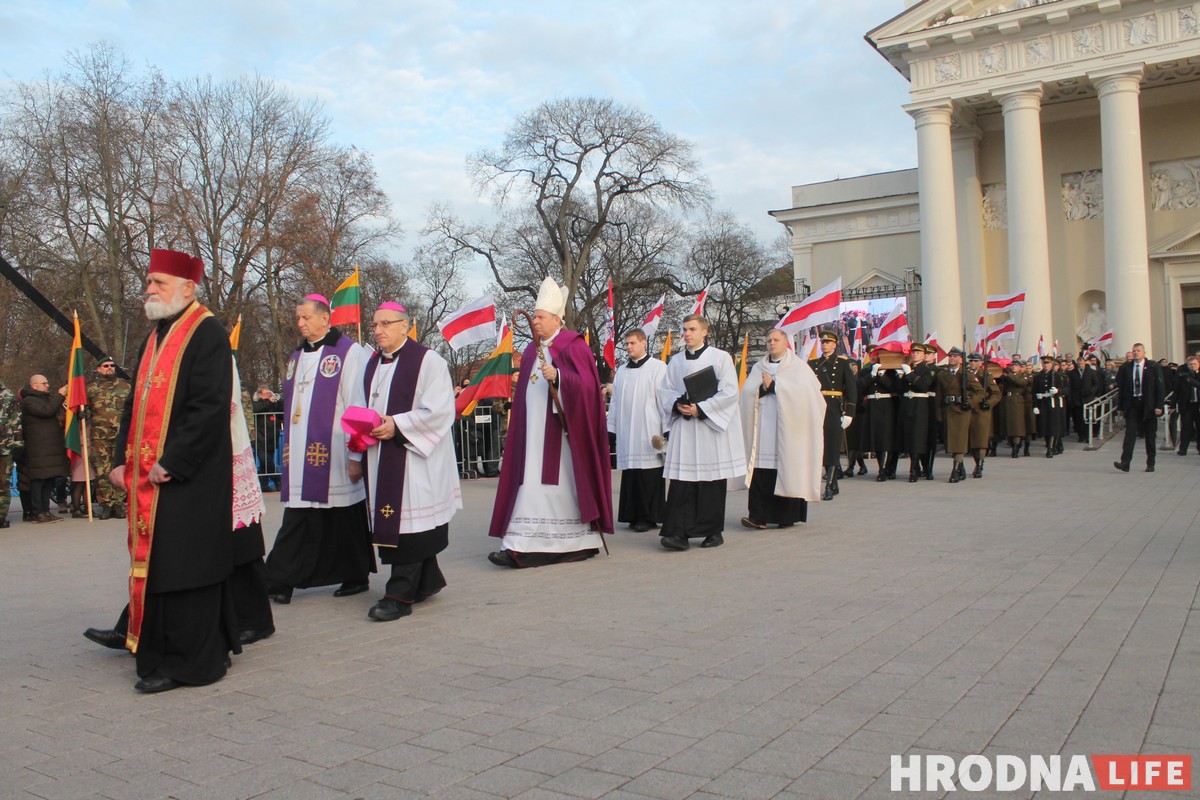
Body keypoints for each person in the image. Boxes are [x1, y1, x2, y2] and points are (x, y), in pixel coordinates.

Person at [104, 248, 237, 693]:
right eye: (149, 281)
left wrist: (173, 462)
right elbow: (134, 401)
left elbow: (209, 407)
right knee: (161, 564)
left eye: (158, 282)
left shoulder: (208, 332)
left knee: (187, 566)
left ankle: (193, 662)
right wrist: (120, 460)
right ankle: (158, 646)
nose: (149, 289)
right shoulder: (156, 334)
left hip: (188, 476)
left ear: (187, 288)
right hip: (148, 475)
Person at [487, 277, 613, 567]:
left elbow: (589, 389)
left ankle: (570, 543)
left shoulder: (574, 345)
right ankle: (520, 543)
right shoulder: (532, 350)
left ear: (558, 319)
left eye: (541, 317)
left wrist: (560, 377)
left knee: (553, 487)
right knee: (527, 483)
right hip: (532, 438)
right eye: (535, 317)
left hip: (561, 439)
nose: (536, 321)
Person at [265, 294, 376, 604]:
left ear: (325, 318)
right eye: (298, 318)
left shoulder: (348, 352)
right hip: (300, 452)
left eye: (305, 317)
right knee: (303, 517)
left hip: (336, 449)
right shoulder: (297, 356)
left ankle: (352, 576)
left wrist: (356, 455)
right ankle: (283, 580)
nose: (300, 323)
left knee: (344, 515)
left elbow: (357, 404)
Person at [354, 302, 461, 619]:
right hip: (381, 456)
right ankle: (427, 580)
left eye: (386, 324)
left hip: (415, 459)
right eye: (375, 325)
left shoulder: (429, 362)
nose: (378, 330)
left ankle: (399, 596)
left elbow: (440, 411)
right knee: (408, 524)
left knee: (411, 525)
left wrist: (398, 425)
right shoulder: (372, 365)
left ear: (405, 326)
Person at [657, 314, 745, 551]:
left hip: (708, 429)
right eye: (684, 329)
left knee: (710, 481)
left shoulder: (720, 358)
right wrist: (677, 405)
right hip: (685, 429)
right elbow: (665, 391)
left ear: (705, 332)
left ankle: (712, 531)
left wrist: (701, 409)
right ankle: (678, 533)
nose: (687, 334)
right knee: (682, 482)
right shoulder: (675, 361)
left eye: (692, 329)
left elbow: (729, 393)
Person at [738, 328, 823, 529]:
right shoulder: (759, 367)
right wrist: (762, 388)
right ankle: (758, 516)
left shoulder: (799, 368)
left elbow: (809, 396)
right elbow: (747, 393)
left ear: (786, 343)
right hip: (763, 429)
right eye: (768, 340)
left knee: (787, 467)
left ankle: (786, 516)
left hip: (789, 430)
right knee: (760, 469)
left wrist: (776, 387)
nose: (771, 343)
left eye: (776, 340)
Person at [607, 328, 668, 532]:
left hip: (649, 429)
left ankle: (648, 516)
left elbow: (664, 399)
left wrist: (667, 429)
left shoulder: (658, 368)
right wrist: (611, 428)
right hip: (627, 430)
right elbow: (614, 402)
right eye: (627, 344)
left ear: (644, 343)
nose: (629, 347)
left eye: (633, 343)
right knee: (631, 474)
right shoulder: (622, 371)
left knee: (649, 475)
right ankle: (631, 514)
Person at [809, 330, 856, 500]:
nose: (824, 345)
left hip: (834, 408)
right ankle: (833, 482)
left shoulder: (842, 364)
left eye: (828, 343)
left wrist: (849, 413)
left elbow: (851, 390)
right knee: (819, 445)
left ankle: (829, 485)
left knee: (832, 445)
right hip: (817, 406)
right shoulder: (813, 363)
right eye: (822, 342)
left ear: (835, 345)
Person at [19, 375, 69, 524]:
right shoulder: (29, 401)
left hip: (51, 447)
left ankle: (46, 510)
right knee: (38, 480)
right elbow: (47, 411)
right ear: (35, 386)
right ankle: (37, 512)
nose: (48, 385)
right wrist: (60, 395)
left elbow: (56, 414)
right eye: (44, 383)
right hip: (38, 447)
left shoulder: (47, 399)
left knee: (49, 480)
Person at [1114, 342, 1166, 473]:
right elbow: (1122, 389)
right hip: (1132, 404)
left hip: (1148, 404)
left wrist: (1159, 405)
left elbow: (1160, 388)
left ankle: (1150, 462)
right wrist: (1120, 407)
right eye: (1134, 351)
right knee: (1129, 434)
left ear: (1144, 353)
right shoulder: (1126, 368)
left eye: (1138, 351)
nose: (1136, 353)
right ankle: (1125, 463)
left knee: (1150, 435)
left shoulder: (1153, 366)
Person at [901, 344, 938, 480]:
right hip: (908, 405)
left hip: (921, 405)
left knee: (919, 437)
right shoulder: (909, 368)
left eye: (918, 352)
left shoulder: (928, 369)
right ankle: (916, 466)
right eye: (913, 352)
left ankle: (916, 468)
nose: (915, 354)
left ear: (924, 355)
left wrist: (909, 374)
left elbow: (923, 385)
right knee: (910, 436)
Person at [251, 386, 283, 491]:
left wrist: (278, 400)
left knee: (266, 463)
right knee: (265, 461)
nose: (269, 395)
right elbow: (256, 409)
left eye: (269, 393)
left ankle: (264, 485)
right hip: (259, 439)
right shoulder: (257, 403)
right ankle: (278, 480)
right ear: (260, 394)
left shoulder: (273, 404)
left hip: (272, 439)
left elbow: (282, 412)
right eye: (266, 393)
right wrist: (268, 401)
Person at [0, 379, 19, 528]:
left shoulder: (8, 395)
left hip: (5, 447)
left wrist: (18, 444)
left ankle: (1, 515)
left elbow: (16, 421)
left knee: (3, 483)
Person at [1176, 355, 1200, 455]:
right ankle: (1183, 449)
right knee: (1186, 427)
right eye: (1190, 364)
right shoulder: (1182, 376)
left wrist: (1190, 380)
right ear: (1187, 365)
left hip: (1198, 405)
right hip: (1187, 405)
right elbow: (1176, 391)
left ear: (1198, 364)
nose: (1193, 366)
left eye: (1194, 364)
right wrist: (1173, 405)